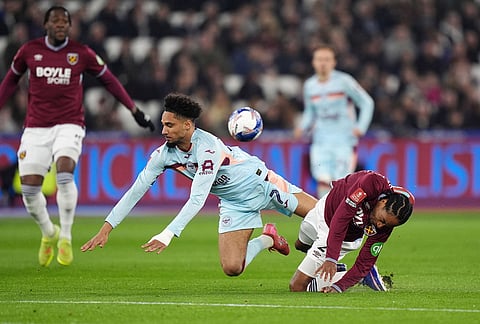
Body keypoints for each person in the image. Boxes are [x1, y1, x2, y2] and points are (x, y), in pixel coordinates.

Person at [81, 93, 318, 277]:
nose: (163, 131)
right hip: (235, 203)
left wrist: (168, 233)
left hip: (263, 184)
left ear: (187, 125)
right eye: (163, 124)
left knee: (324, 216)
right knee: (233, 268)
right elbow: (135, 191)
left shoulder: (208, 148)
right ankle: (269, 238)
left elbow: (197, 198)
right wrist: (106, 229)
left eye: (169, 125)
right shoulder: (164, 155)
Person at [0, 6, 155, 267]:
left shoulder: (80, 54)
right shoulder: (29, 51)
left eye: (65, 21)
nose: (60, 24)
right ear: (46, 24)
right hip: (36, 127)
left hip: (69, 124)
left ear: (70, 26)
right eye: (55, 20)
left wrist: (134, 109)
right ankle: (50, 233)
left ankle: (66, 237)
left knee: (63, 174)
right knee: (28, 189)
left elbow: (110, 81)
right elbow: (9, 83)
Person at [289, 170, 414, 293]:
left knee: (297, 286)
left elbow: (365, 261)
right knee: (300, 245)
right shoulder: (371, 183)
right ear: (383, 202)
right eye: (382, 220)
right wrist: (331, 258)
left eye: (386, 225)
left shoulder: (386, 224)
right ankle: (338, 268)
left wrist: (339, 286)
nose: (380, 225)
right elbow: (341, 219)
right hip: (323, 209)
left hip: (344, 239)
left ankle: (351, 276)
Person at [293, 44, 374, 198]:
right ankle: (324, 218)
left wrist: (361, 127)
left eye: (327, 59)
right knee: (323, 180)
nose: (323, 63)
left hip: (344, 140)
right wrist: (302, 127)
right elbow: (310, 111)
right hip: (321, 140)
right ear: (313, 62)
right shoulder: (310, 86)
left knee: (340, 182)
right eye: (319, 59)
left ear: (333, 63)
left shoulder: (344, 81)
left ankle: (340, 218)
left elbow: (366, 102)